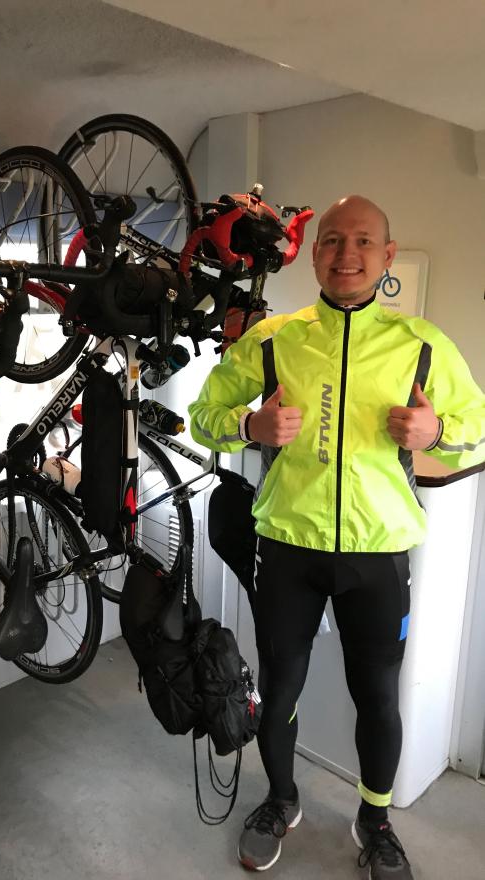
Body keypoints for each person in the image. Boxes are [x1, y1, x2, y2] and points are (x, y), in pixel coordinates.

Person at [189, 195, 485, 878]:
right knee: (280, 687)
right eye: (330, 240)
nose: (345, 254)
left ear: (385, 256)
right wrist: (248, 428)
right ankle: (281, 799)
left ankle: (374, 821)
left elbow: (476, 422)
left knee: (379, 695)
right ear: (314, 253)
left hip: (378, 554)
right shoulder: (271, 340)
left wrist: (436, 431)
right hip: (287, 547)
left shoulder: (422, 345)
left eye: (362, 242)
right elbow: (205, 415)